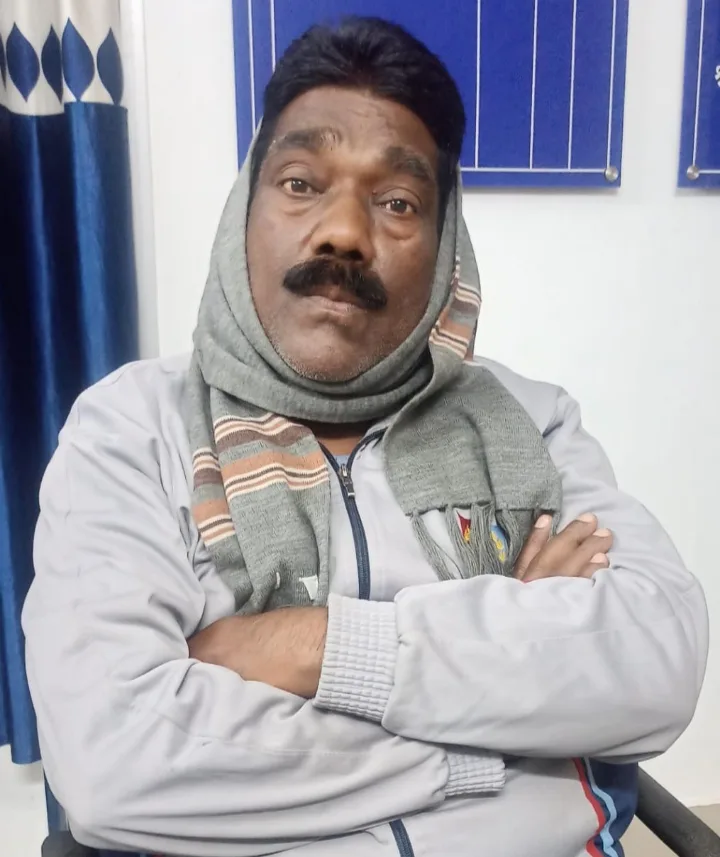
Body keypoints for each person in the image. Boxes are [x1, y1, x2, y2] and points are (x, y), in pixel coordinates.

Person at [24, 17, 707, 857]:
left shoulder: (533, 423)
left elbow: (656, 660)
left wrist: (307, 648)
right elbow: (116, 762)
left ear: (446, 245)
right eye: (301, 182)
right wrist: (508, 717)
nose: (344, 231)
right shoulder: (131, 429)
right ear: (244, 212)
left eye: (397, 202)